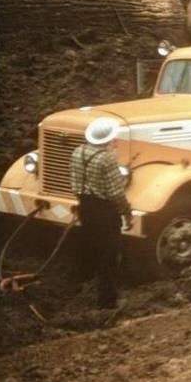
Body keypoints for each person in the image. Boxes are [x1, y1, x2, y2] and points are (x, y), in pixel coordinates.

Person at [69, 117, 132, 309]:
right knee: (110, 252)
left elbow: (74, 182)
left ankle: (81, 289)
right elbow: (115, 193)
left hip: (84, 205)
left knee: (89, 247)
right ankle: (108, 301)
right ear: (108, 139)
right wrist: (126, 212)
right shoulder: (107, 158)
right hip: (104, 209)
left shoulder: (77, 152)